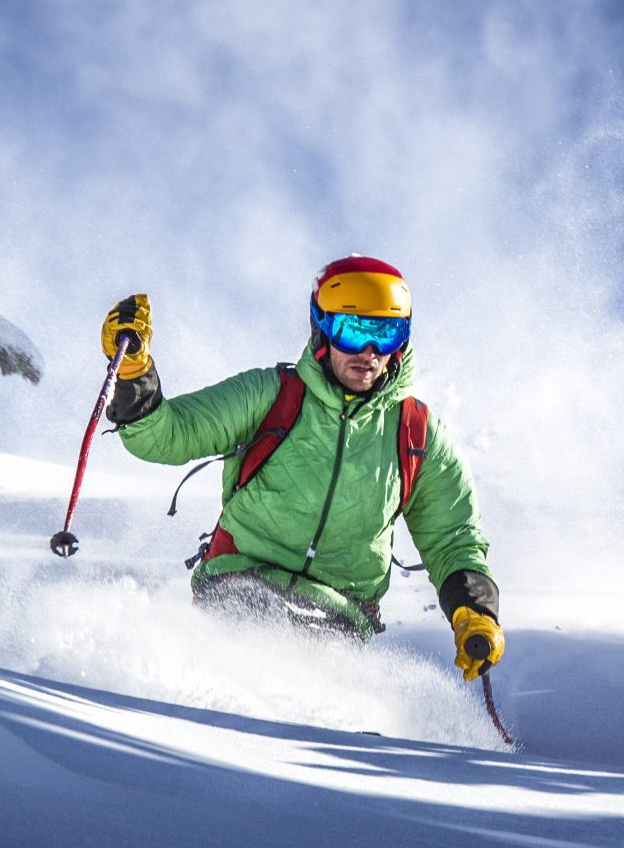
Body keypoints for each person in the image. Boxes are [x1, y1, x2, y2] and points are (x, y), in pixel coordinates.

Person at [99, 256, 504, 679]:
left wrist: (475, 613)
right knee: (251, 643)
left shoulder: (416, 435)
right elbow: (164, 435)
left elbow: (453, 540)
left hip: (337, 617)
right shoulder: (272, 395)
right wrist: (133, 372)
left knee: (317, 697)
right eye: (353, 332)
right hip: (240, 583)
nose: (369, 353)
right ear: (322, 328)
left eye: (385, 334)